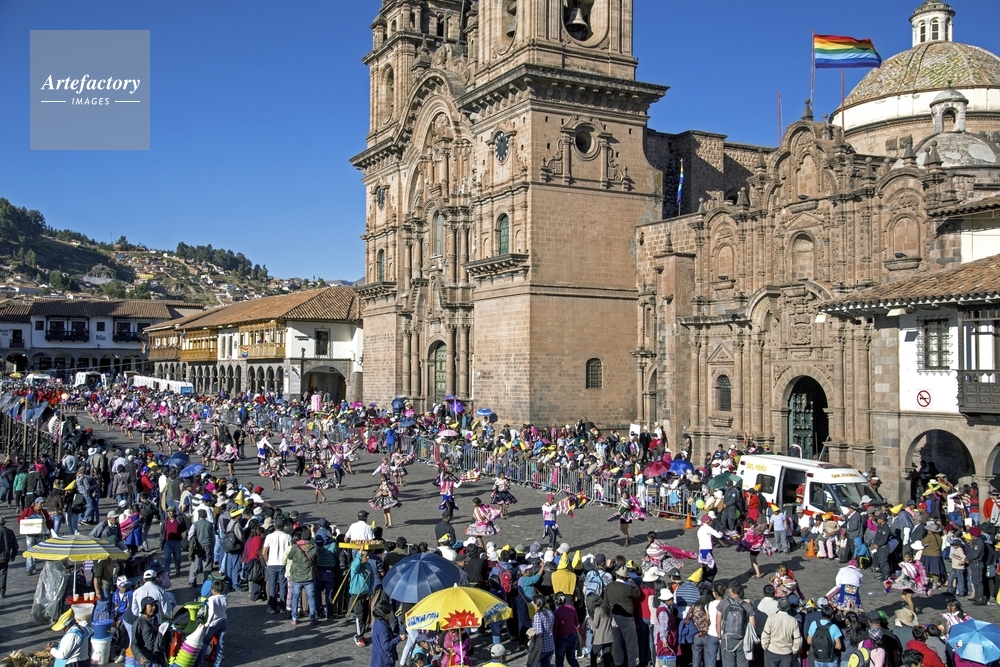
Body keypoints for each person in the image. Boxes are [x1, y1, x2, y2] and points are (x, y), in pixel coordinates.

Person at [606, 565, 641, 667]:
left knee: (616, 642)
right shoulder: (627, 588)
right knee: (631, 643)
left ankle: (618, 662)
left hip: (613, 616)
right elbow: (637, 593)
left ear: (616, 575)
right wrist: (632, 582)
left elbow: (605, 601)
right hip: (627, 617)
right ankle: (632, 663)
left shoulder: (609, 586)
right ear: (626, 577)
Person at [285, 525, 319, 626]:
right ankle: (312, 618)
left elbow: (289, 556)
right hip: (309, 576)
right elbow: (316, 559)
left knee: (295, 597)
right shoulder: (313, 548)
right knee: (311, 597)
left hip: (296, 576)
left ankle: (294, 618)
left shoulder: (295, 547)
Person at [717, 581, 754, 667]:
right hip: (742, 639)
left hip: (727, 639)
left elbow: (718, 622)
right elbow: (753, 625)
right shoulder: (747, 605)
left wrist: (719, 637)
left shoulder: (723, 603)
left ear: (730, 590)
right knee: (742, 663)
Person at [760, 597, 802, 667]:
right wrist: (794, 650)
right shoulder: (793, 621)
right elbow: (798, 639)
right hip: (786, 653)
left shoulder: (771, 618)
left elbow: (765, 635)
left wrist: (765, 646)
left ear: (778, 606)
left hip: (771, 650)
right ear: (788, 608)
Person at [262, 519, 292, 614]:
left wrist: (266, 560)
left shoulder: (269, 536)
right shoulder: (288, 537)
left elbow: (264, 552)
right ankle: (283, 607)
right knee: (283, 585)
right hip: (283, 563)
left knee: (272, 585)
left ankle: (272, 607)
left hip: (272, 563)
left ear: (275, 526)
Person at [197, 579, 228, 667]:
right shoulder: (225, 597)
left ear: (214, 590)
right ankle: (217, 664)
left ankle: (199, 663)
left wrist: (207, 623)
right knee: (220, 643)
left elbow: (212, 613)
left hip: (213, 623)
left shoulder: (211, 599)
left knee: (205, 642)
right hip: (224, 621)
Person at [350, 549, 378, 647]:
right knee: (359, 616)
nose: (368, 557)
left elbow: (372, 580)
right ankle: (358, 636)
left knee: (365, 615)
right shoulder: (355, 566)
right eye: (366, 556)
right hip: (357, 595)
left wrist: (369, 593)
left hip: (365, 594)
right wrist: (359, 554)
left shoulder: (368, 566)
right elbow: (355, 566)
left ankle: (361, 634)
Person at [131, 597, 166, 667]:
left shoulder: (155, 619)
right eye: (151, 605)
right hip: (144, 661)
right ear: (144, 607)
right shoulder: (138, 623)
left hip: (156, 659)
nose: (154, 608)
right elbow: (134, 644)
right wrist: (140, 657)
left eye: (154, 605)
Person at [371, 598, 406, 667]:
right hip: (383, 662)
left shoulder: (377, 622)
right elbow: (386, 646)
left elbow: (387, 636)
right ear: (384, 613)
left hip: (378, 660)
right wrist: (399, 638)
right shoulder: (382, 627)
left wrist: (398, 636)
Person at [806, 603, 843, 667]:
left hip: (817, 657)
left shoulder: (814, 624)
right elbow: (839, 646)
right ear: (832, 616)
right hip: (830, 659)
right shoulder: (834, 627)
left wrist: (818, 644)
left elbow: (809, 641)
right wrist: (829, 646)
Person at [553, 592, 582, 667]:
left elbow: (555, 628)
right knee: (571, 658)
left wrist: (554, 638)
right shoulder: (571, 608)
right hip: (573, 636)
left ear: (556, 601)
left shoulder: (556, 613)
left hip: (561, 638)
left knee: (559, 660)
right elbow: (576, 622)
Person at [652, 586, 678, 667]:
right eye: (671, 598)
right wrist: (664, 640)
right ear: (667, 600)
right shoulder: (663, 611)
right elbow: (663, 627)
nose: (673, 600)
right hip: (664, 638)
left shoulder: (666, 608)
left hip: (666, 637)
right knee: (665, 659)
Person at [532, 595, 557, 667]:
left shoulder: (538, 615)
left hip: (541, 648)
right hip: (550, 646)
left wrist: (531, 634)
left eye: (533, 603)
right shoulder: (550, 612)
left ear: (537, 604)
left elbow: (539, 632)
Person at [0, 516, 18, 597]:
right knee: (3, 574)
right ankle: (2, 592)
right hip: (5, 557)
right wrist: (13, 555)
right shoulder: (10, 532)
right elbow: (15, 546)